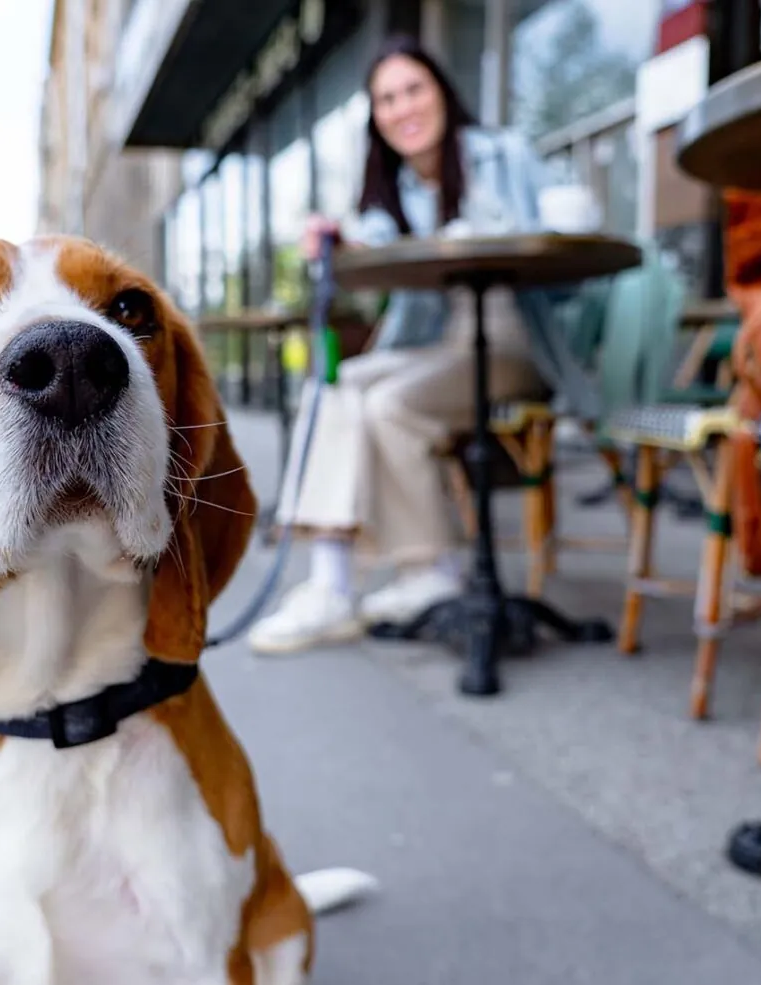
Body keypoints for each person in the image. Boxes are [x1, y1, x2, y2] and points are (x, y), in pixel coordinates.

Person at [247, 34, 599, 655]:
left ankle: (432, 570)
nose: (403, 107)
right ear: (376, 118)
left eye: (414, 89)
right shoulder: (400, 187)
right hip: (446, 346)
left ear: (441, 92)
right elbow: (372, 246)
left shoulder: (503, 154)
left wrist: (559, 224)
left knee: (390, 406)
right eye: (386, 99)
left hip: (518, 338)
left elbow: (568, 247)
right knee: (336, 386)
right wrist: (339, 239)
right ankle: (328, 585)